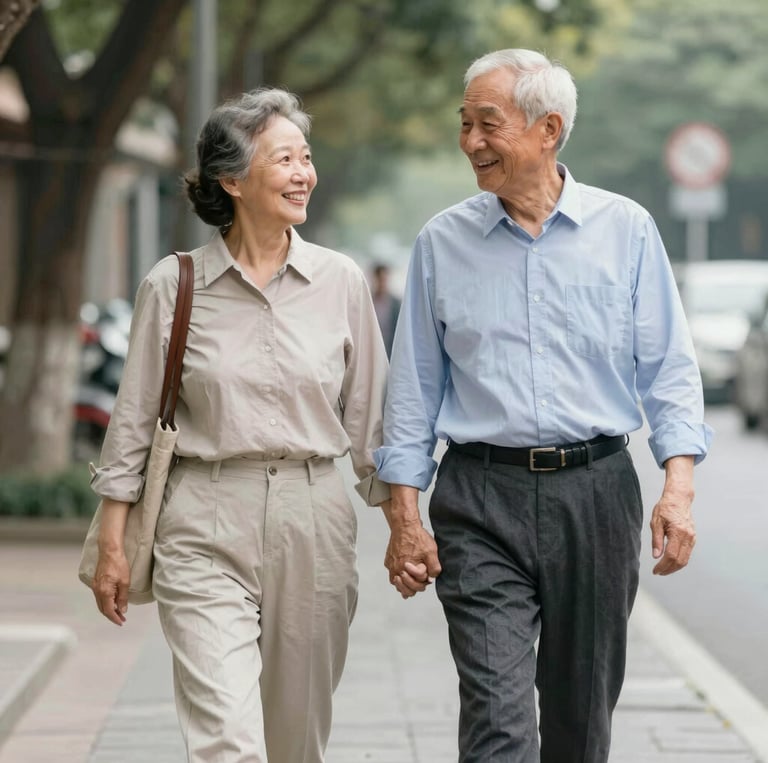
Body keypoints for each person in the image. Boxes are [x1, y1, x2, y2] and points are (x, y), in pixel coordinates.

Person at [374, 49, 713, 763]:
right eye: (464, 124)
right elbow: (411, 392)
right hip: (479, 498)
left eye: (487, 124)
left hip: (596, 493)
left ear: (547, 128)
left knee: (579, 720)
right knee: (498, 718)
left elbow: (670, 372)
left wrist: (677, 488)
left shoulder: (627, 231)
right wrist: (404, 517)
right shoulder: (442, 242)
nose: (470, 142)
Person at [89, 88, 390, 763]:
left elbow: (372, 421)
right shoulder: (176, 284)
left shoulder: (339, 281)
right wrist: (112, 539)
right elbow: (133, 421)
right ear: (232, 179)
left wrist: (405, 523)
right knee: (227, 737)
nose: (303, 173)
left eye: (305, 158)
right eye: (285, 159)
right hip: (202, 517)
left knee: (294, 738)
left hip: (313, 513)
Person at [370, 262, 401, 357]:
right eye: (380, 279)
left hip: (390, 352)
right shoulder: (369, 301)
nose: (382, 283)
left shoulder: (396, 304)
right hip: (372, 351)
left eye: (384, 279)